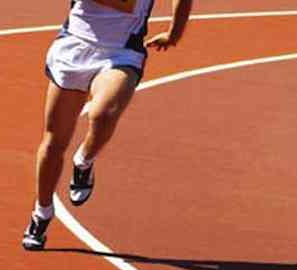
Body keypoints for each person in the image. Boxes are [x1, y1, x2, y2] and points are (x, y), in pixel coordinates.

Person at [22, 0, 192, 251]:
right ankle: (42, 212)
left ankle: (84, 160)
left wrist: (174, 33)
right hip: (74, 46)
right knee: (53, 143)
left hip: (121, 53)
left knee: (103, 114)